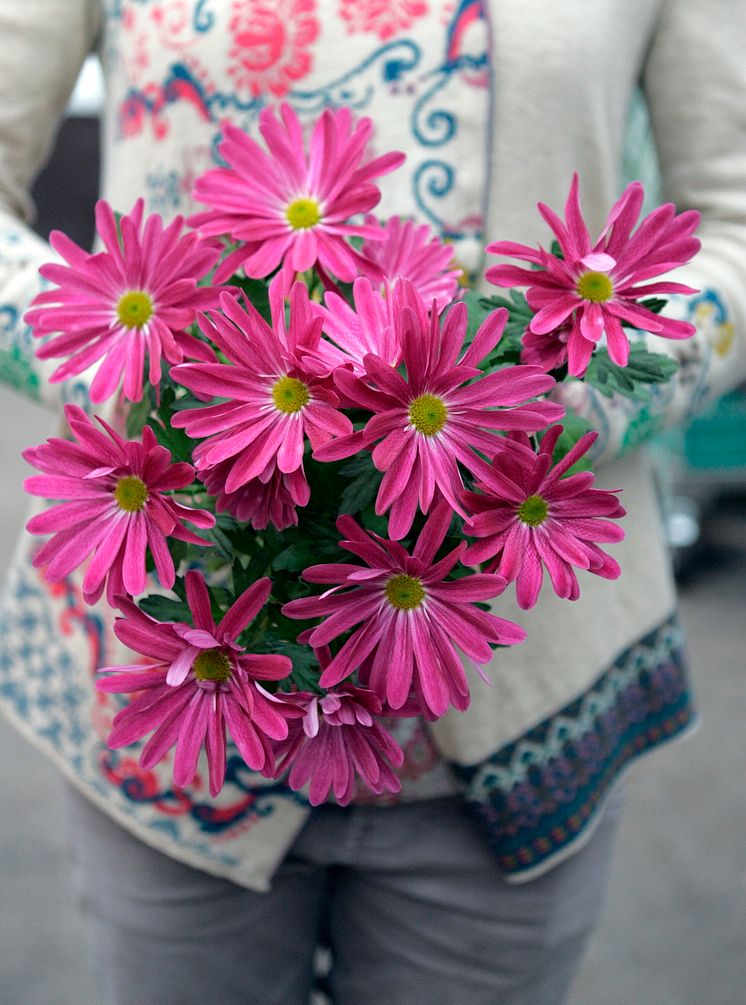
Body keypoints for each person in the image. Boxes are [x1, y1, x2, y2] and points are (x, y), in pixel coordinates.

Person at [0, 2, 744, 1003]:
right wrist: (134, 372)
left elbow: (731, 217)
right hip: (170, 670)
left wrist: (573, 407)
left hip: (526, 667)